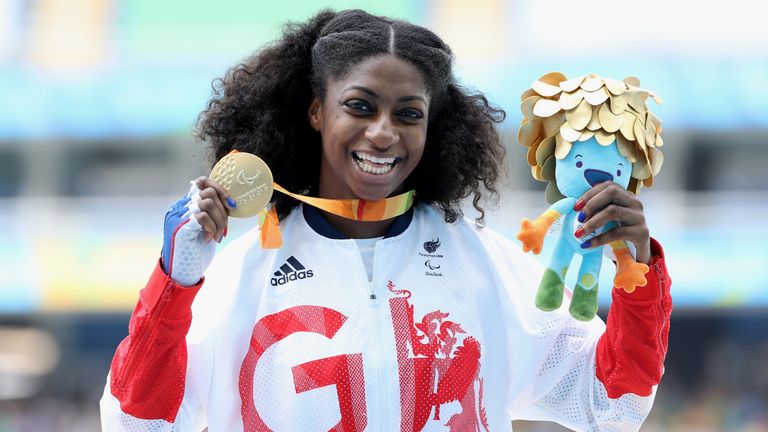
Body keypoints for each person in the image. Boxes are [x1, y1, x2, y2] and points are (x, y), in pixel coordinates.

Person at [100, 9, 672, 432]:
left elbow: (611, 405)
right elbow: (137, 423)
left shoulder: (486, 265)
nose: (383, 133)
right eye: (359, 106)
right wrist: (173, 288)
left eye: (409, 114)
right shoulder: (241, 274)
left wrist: (639, 276)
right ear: (316, 111)